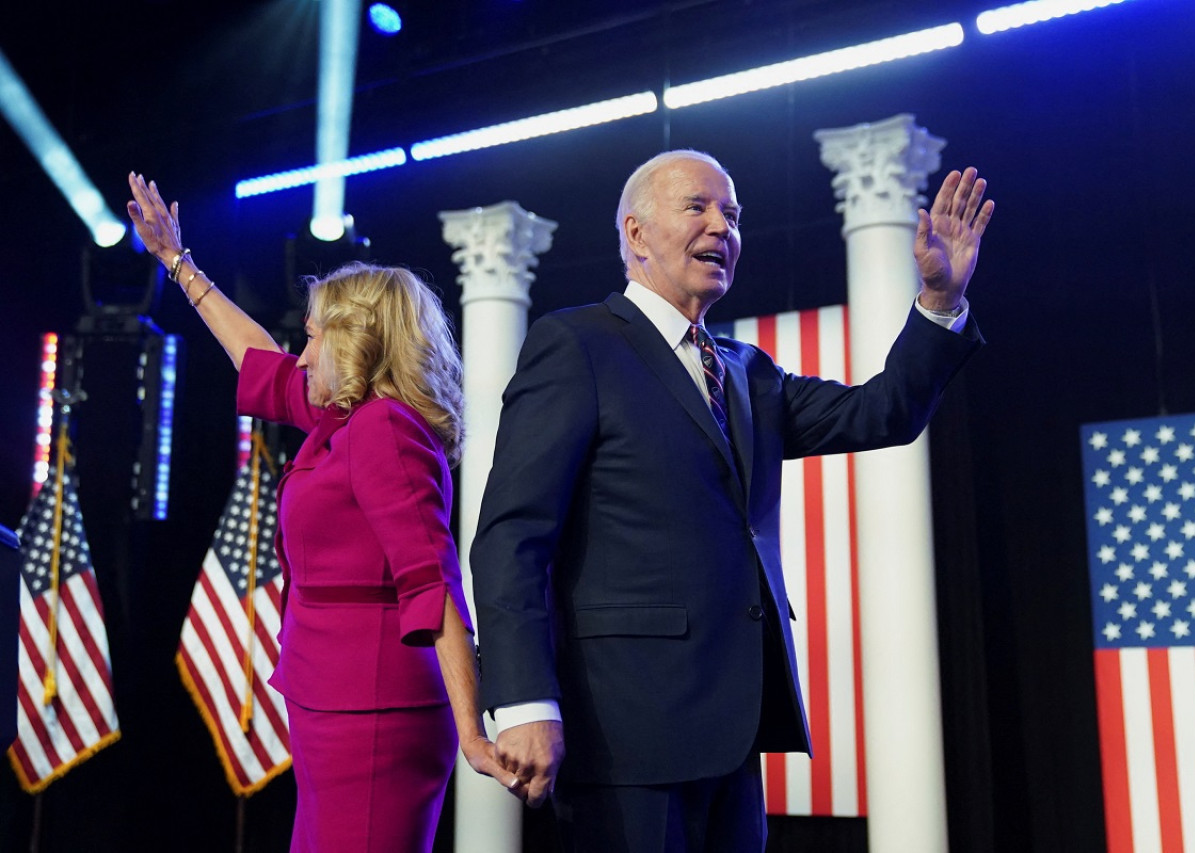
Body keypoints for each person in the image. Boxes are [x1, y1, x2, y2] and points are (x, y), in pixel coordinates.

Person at [469, 149, 994, 850]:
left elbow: (883, 413)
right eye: (698, 207)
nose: (722, 225)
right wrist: (525, 698)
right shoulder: (576, 345)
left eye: (734, 214)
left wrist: (939, 300)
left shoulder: (747, 370)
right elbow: (512, 536)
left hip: (735, 733)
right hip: (625, 735)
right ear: (635, 233)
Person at [126, 173, 517, 852]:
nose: (301, 354)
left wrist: (474, 734)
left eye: (312, 339)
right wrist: (177, 263)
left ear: (356, 343)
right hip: (335, 703)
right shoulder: (346, 417)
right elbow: (260, 362)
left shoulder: (382, 429)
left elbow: (432, 582)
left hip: (371, 714)